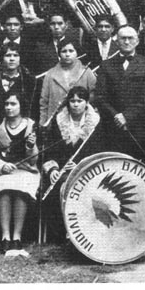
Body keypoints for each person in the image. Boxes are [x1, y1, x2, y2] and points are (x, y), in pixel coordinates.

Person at [40, 86, 101, 241]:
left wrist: (80, 166)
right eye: (72, 101)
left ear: (86, 103)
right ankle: (67, 232)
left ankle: (86, 231)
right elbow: (51, 150)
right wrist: (53, 169)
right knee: (59, 186)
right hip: (62, 170)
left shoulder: (96, 123)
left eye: (80, 101)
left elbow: (98, 152)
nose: (75, 104)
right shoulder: (59, 121)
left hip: (88, 171)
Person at [0, 93, 39, 255]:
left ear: (21, 106)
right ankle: (5, 237)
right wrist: (1, 166)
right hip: (4, 170)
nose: (9, 107)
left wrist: (31, 147)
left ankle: (17, 237)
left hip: (26, 170)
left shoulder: (31, 126)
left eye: (13, 104)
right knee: (5, 187)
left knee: (21, 186)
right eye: (6, 104)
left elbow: (34, 160)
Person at [93, 25, 145, 156]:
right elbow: (100, 97)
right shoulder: (106, 65)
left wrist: (127, 116)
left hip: (139, 127)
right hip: (112, 128)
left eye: (130, 38)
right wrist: (116, 117)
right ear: (116, 41)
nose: (127, 42)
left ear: (137, 41)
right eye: (123, 38)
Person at [39, 39, 97, 128]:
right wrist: (43, 123)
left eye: (71, 51)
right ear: (59, 54)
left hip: (81, 121)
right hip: (56, 122)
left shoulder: (86, 72)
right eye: (64, 51)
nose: (67, 54)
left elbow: (94, 96)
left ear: (77, 53)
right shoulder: (50, 74)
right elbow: (44, 102)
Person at [0, 43, 35, 125]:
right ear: (2, 58)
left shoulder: (29, 81)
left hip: (21, 126)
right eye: (8, 55)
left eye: (16, 55)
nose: (12, 59)